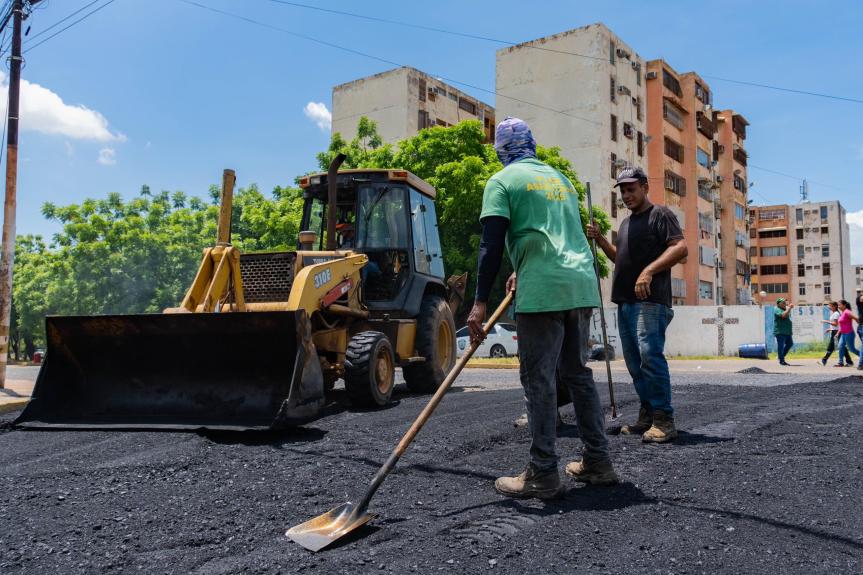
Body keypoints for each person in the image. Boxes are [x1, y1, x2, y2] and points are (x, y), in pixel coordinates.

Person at [467, 117, 617, 499]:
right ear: (531, 145)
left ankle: (543, 472)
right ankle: (598, 461)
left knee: (539, 380)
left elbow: (491, 244)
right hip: (581, 283)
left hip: (544, 289)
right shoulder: (560, 180)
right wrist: (522, 268)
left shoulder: (501, 181)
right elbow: (554, 233)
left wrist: (480, 302)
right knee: (577, 374)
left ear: (501, 151)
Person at [586, 167, 687, 443]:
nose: (627, 195)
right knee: (634, 363)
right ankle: (648, 415)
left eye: (631, 189)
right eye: (623, 191)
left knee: (650, 357)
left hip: (650, 302)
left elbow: (680, 248)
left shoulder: (661, 215)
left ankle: (664, 420)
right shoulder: (627, 224)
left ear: (644, 187)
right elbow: (620, 258)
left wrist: (649, 271)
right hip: (626, 302)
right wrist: (601, 239)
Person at [821, 301, 852, 366]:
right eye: (829, 306)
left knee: (832, 346)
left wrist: (826, 321)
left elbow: (836, 324)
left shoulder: (836, 314)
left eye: (831, 306)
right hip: (835, 331)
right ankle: (849, 361)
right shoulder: (834, 313)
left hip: (837, 332)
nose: (829, 307)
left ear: (835, 306)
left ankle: (824, 359)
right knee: (841, 347)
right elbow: (837, 325)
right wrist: (830, 329)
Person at [836, 299, 861, 369]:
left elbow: (856, 318)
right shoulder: (843, 313)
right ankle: (840, 362)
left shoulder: (847, 312)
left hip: (849, 333)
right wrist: (838, 332)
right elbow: (842, 325)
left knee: (851, 349)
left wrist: (860, 325)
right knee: (840, 346)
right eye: (838, 305)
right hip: (843, 334)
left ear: (844, 305)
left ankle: (861, 357)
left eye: (839, 305)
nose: (838, 306)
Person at [773, 298, 794, 366]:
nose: (785, 304)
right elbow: (783, 316)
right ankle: (782, 361)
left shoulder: (785, 309)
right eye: (783, 303)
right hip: (780, 331)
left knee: (790, 344)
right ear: (779, 304)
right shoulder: (777, 309)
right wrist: (789, 308)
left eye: (785, 303)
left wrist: (790, 331)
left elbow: (787, 318)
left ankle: (780, 357)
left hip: (787, 332)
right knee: (781, 346)